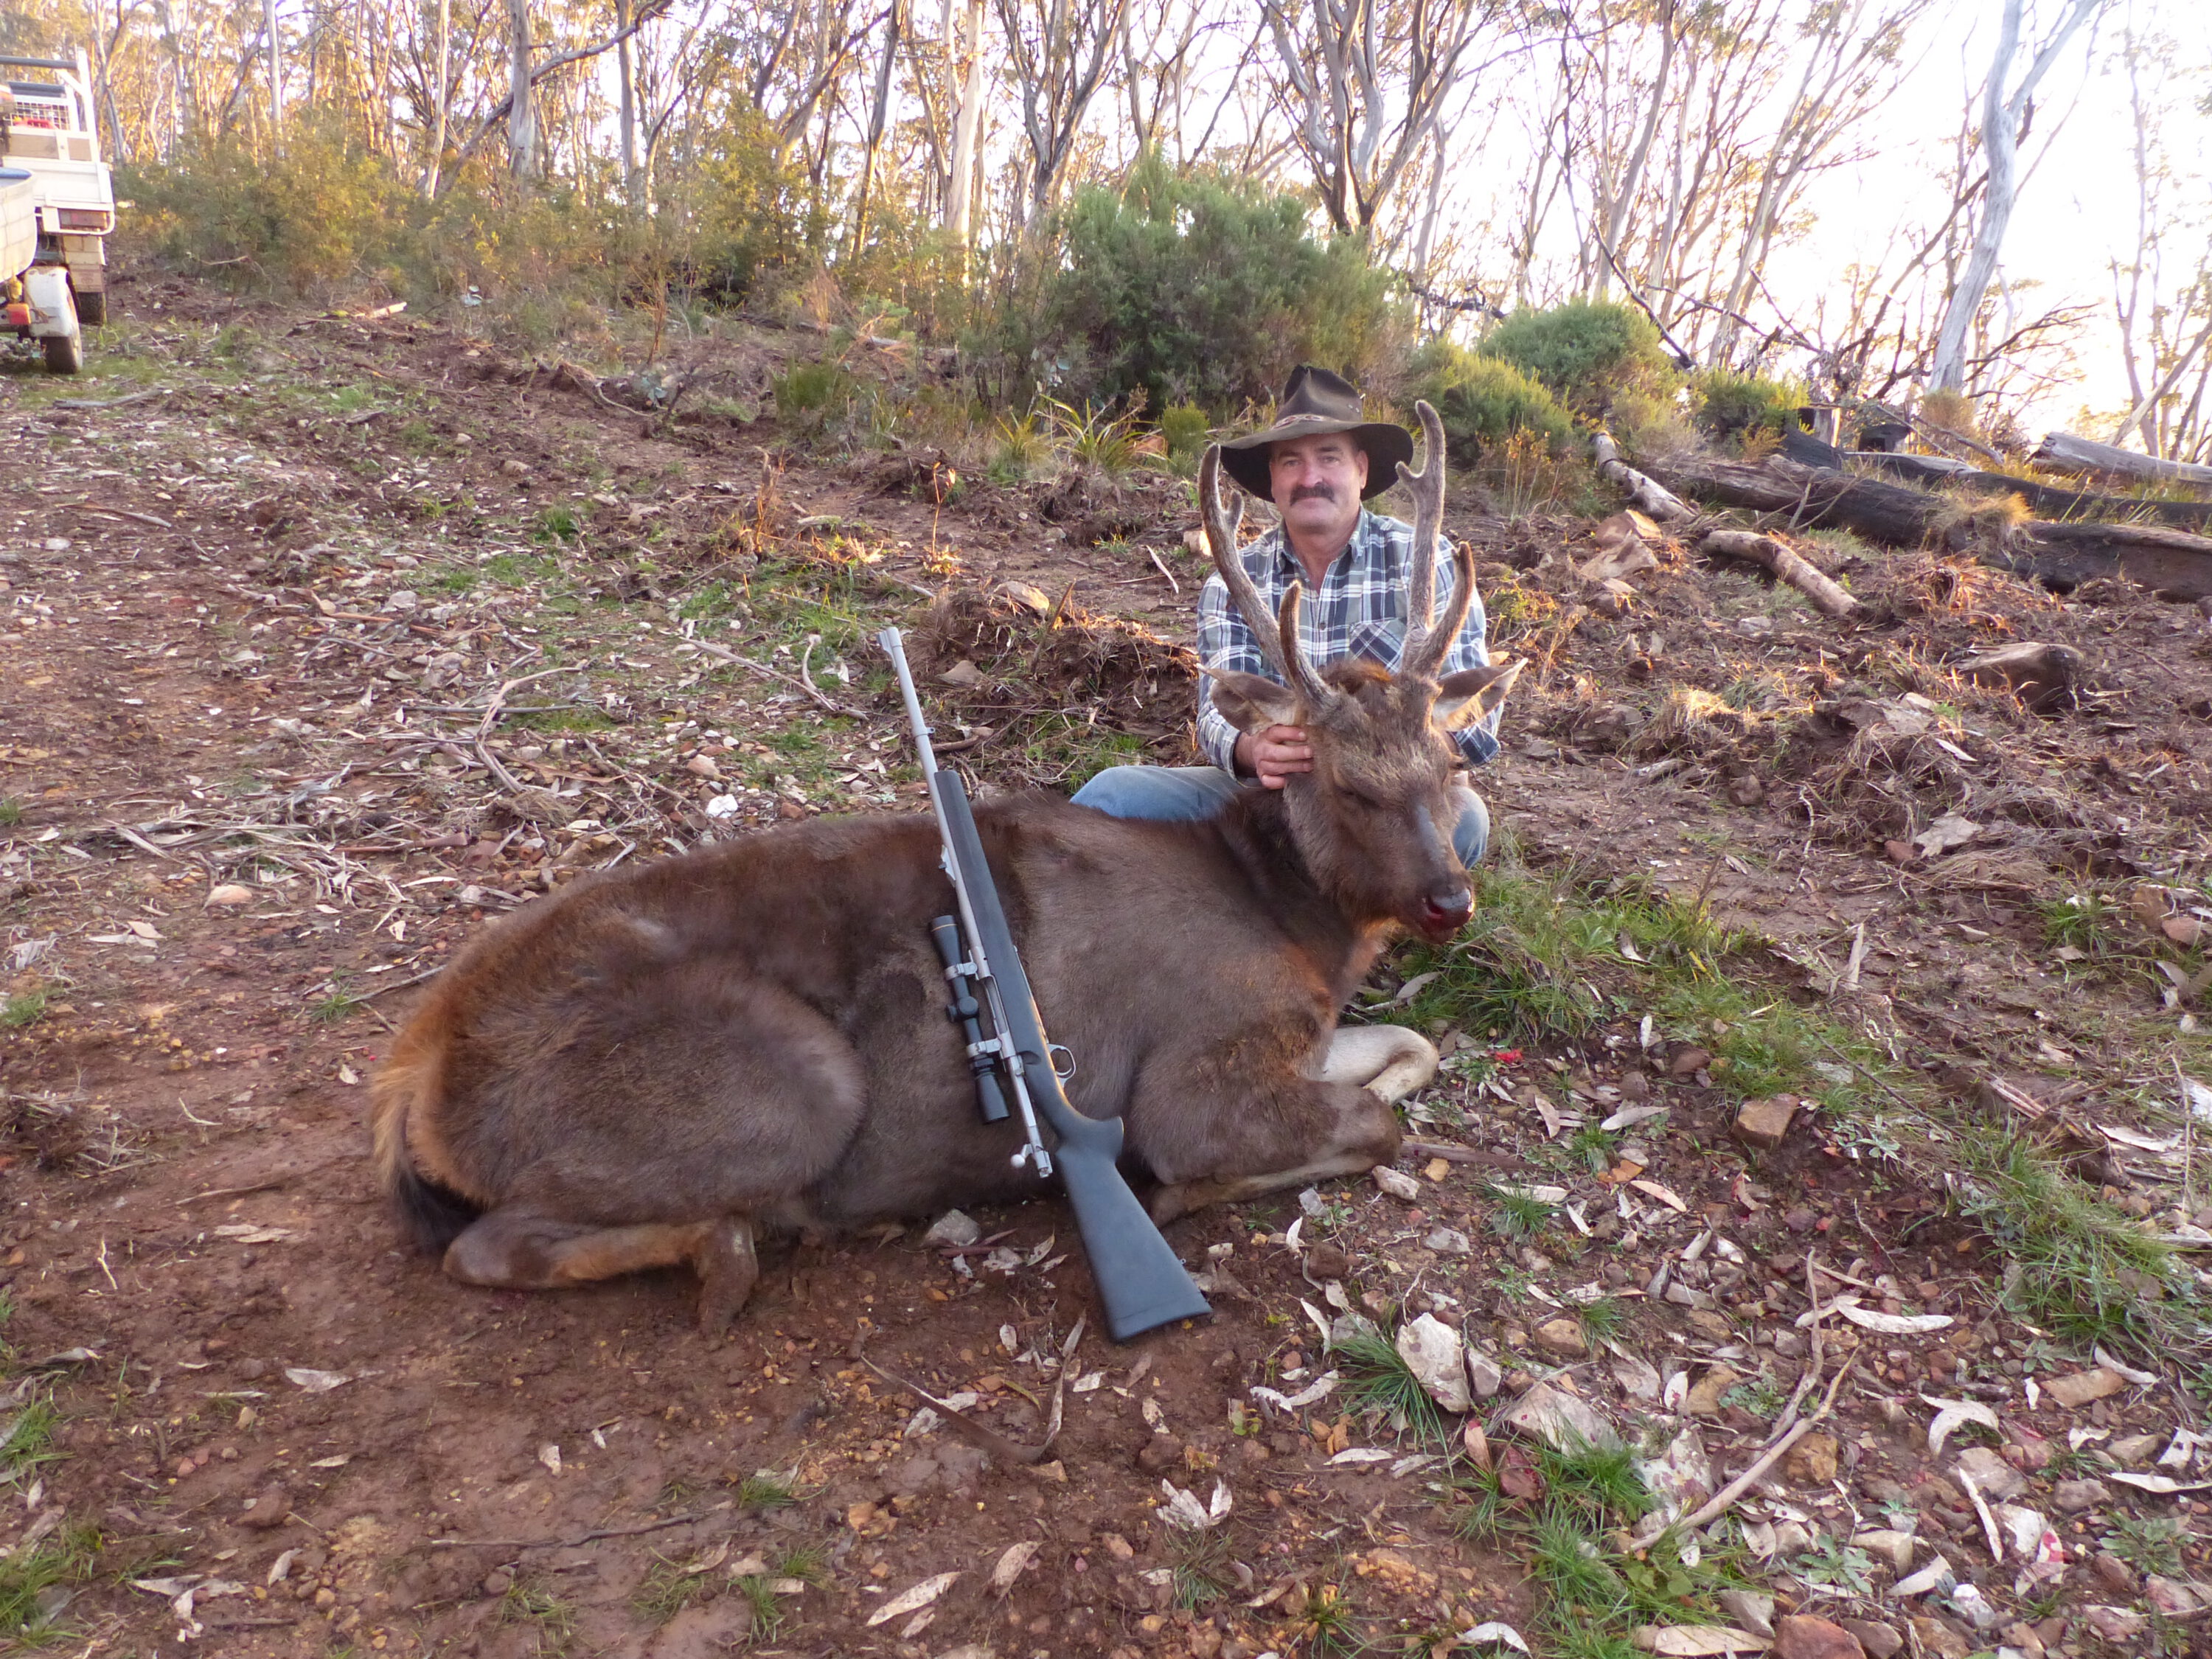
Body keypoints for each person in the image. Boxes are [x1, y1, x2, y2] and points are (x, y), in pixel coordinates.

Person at [1072, 364, 1499, 865]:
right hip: (1272, 803)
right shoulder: (1233, 583)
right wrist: (1252, 749)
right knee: (1114, 796)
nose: (1310, 477)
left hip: (1390, 808)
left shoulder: (1428, 564)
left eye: (1329, 458)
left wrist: (1395, 752)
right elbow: (1217, 708)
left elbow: (1478, 725)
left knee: (1465, 821)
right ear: (1272, 481)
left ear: (1362, 470)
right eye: (1290, 461)